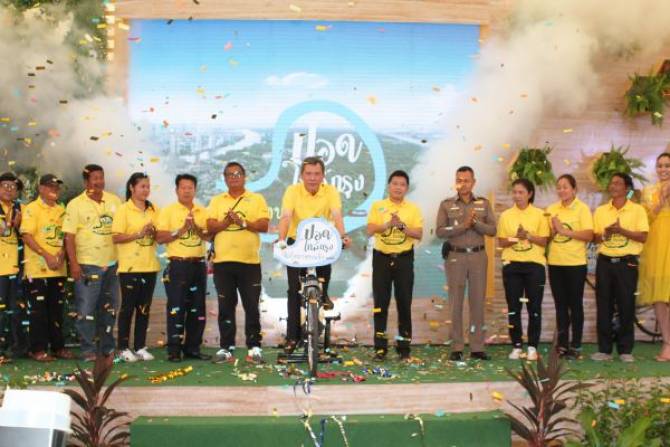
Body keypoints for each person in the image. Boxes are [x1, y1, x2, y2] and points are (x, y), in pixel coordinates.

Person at [277, 156, 349, 354]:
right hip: (296, 242)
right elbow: (286, 216)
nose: (312, 178)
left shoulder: (330, 191)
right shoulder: (292, 191)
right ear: (301, 175)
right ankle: (292, 337)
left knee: (326, 265)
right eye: (308, 174)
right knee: (293, 290)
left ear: (323, 175)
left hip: (321, 241)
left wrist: (343, 236)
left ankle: (323, 294)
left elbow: (337, 215)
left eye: (317, 174)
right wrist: (281, 239)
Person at [207, 162, 269, 364]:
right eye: (229, 174)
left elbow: (263, 225)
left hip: (249, 263)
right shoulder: (217, 200)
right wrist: (227, 222)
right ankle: (226, 347)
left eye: (237, 173)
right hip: (223, 263)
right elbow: (210, 226)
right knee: (225, 306)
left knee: (251, 306)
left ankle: (254, 347)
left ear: (244, 176)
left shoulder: (256, 199)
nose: (234, 177)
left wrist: (241, 222)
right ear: (224, 178)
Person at [436, 166, 496, 361]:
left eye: (466, 180)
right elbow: (440, 231)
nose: (462, 184)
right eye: (459, 180)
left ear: (473, 182)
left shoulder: (483, 203)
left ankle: (477, 347)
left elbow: (493, 230)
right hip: (455, 257)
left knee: (477, 302)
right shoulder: (446, 204)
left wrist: (476, 224)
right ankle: (457, 347)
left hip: (478, 256)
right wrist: (464, 225)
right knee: (455, 303)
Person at [63, 164, 122, 361]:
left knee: (110, 307)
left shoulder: (114, 201)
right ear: (86, 182)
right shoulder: (75, 204)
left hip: (112, 265)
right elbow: (69, 237)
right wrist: (74, 264)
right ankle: (88, 350)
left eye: (101, 177)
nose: (99, 181)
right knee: (86, 309)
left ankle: (107, 348)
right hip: (87, 265)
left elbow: (120, 231)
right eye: (94, 178)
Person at [592, 173, 648, 362]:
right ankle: (604, 349)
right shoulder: (601, 211)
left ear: (627, 188)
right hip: (605, 263)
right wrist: (606, 234)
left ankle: (625, 350)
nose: (613, 186)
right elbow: (595, 238)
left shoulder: (637, 210)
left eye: (618, 183)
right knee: (603, 306)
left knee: (626, 305)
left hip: (627, 263)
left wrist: (621, 230)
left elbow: (643, 237)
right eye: (611, 183)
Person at [367, 170, 423, 361]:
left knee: (404, 303)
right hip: (381, 258)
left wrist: (402, 227)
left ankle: (404, 347)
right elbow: (370, 229)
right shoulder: (378, 206)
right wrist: (388, 225)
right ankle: (380, 348)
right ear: (389, 186)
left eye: (402, 184)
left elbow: (418, 234)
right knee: (380, 304)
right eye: (395, 184)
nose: (398, 187)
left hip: (404, 259)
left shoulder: (413, 209)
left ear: (407, 188)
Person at [156, 174, 211, 362]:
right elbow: (160, 238)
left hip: (199, 264)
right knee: (176, 307)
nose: (187, 191)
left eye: (190, 188)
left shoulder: (202, 211)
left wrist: (195, 227)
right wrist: (181, 230)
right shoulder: (168, 211)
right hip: (178, 265)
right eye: (183, 187)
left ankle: (193, 348)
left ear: (195, 190)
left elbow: (209, 237)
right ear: (176, 190)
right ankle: (174, 350)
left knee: (198, 308)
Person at [20, 174, 75, 362]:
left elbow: (66, 236)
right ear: (41, 188)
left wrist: (61, 255)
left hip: (58, 269)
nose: (54, 189)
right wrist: (47, 255)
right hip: (36, 270)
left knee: (57, 311)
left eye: (57, 187)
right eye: (50, 186)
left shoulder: (62, 209)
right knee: (38, 312)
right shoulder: (32, 209)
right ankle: (38, 349)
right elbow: (26, 236)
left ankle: (58, 347)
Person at [497, 178, 550, 361]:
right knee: (514, 308)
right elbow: (502, 242)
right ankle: (517, 346)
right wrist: (516, 237)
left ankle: (533, 347)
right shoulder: (506, 215)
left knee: (534, 307)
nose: (517, 196)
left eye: (521, 192)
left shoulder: (540, 214)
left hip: (534, 266)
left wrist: (528, 236)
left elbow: (544, 241)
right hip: (512, 266)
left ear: (530, 194)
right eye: (515, 192)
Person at [111, 173, 160, 362]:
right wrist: (138, 234)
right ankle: (123, 348)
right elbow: (116, 237)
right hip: (129, 267)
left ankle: (140, 346)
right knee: (128, 308)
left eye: (148, 186)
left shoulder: (154, 209)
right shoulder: (123, 209)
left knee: (144, 308)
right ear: (132, 188)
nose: (146, 190)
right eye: (142, 186)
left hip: (149, 266)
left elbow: (159, 236)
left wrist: (153, 232)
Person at [546, 174, 593, 359]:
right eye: (559, 187)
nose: (561, 190)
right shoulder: (551, 209)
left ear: (574, 189)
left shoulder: (582, 209)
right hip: (555, 263)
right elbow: (548, 237)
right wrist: (552, 232)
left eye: (565, 187)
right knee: (560, 306)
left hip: (575, 264)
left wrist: (563, 230)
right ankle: (562, 345)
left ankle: (576, 345)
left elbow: (589, 235)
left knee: (575, 305)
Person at [638, 152, 670, 361]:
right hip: (657, 247)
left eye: (667, 165)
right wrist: (661, 200)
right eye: (660, 165)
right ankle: (667, 343)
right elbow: (645, 220)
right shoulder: (648, 191)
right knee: (659, 297)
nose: (663, 169)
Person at [0, 172, 22, 363]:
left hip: (15, 270)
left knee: (14, 311)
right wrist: (10, 225)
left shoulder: (19, 208)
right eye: (5, 185)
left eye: (13, 187)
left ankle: (13, 348)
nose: (9, 189)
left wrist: (19, 226)